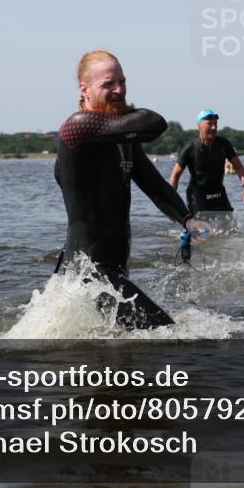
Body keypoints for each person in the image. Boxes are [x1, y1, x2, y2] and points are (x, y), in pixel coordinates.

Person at [56, 50, 204, 330]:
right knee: (168, 335)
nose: (119, 90)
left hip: (115, 268)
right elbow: (155, 123)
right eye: (108, 84)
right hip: (90, 271)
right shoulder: (77, 128)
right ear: (84, 89)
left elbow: (155, 186)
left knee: (119, 355)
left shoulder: (122, 140)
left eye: (122, 82)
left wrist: (187, 220)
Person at [169, 109, 244, 214]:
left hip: (219, 195)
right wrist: (170, 203)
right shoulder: (190, 148)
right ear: (199, 126)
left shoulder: (223, 144)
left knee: (230, 230)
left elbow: (239, 167)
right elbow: (175, 176)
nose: (213, 127)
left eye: (215, 124)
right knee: (204, 230)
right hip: (197, 197)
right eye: (209, 124)